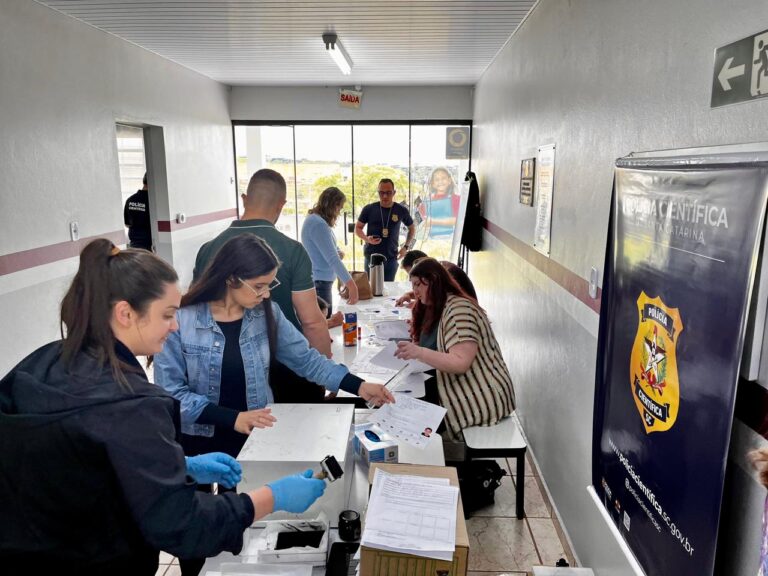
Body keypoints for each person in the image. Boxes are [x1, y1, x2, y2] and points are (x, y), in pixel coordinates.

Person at [0, 239, 327, 575]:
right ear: (125, 313)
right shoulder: (133, 403)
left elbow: (76, 458)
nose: (175, 326)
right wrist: (272, 497)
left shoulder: (42, 361)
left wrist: (179, 465)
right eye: (168, 314)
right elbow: (182, 525)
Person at [156, 234, 394, 456]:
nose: (266, 294)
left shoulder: (266, 314)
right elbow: (170, 394)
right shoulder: (180, 320)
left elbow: (307, 360)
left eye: (270, 285)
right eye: (259, 286)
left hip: (255, 438)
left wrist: (359, 386)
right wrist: (233, 418)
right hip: (198, 442)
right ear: (230, 278)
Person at [194, 169, 331, 402]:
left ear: (244, 199)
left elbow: (198, 313)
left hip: (225, 369)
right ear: (281, 205)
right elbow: (311, 321)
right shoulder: (293, 250)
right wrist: (324, 373)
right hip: (284, 369)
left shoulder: (208, 249)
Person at [394, 258, 515, 440]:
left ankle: (431, 461)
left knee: (412, 412)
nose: (415, 291)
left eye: (418, 284)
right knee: (407, 400)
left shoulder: (459, 309)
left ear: (434, 280)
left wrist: (418, 352)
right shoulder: (440, 305)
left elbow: (460, 363)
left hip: (483, 397)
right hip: (468, 387)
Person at [301, 186, 359, 315]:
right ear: (333, 205)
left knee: (326, 322)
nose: (339, 213)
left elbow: (328, 249)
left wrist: (338, 252)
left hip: (321, 281)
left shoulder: (317, 221)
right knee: (325, 323)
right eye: (339, 208)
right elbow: (332, 259)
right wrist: (351, 285)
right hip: (320, 282)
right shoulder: (318, 224)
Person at [355, 178, 416, 281]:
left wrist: (405, 247)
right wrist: (366, 239)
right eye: (381, 193)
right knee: (371, 289)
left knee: (389, 290)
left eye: (388, 193)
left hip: (391, 258)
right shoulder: (369, 209)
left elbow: (412, 228)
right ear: (378, 192)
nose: (385, 196)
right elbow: (358, 228)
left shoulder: (401, 210)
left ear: (394, 193)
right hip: (371, 257)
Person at [396, 253, 478, 307]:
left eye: (417, 283)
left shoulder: (447, 274)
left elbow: (439, 301)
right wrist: (408, 295)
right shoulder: (436, 269)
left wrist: (420, 305)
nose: (415, 291)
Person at [419, 167, 459, 238]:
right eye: (437, 179)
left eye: (443, 178)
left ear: (449, 180)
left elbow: (457, 221)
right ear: (433, 183)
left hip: (451, 238)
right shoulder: (427, 201)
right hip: (431, 239)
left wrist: (432, 221)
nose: (440, 181)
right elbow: (424, 220)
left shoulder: (456, 199)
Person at [123, 172, 152, 250]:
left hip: (134, 244)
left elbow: (127, 224)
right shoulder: (153, 201)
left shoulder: (130, 200)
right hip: (149, 245)